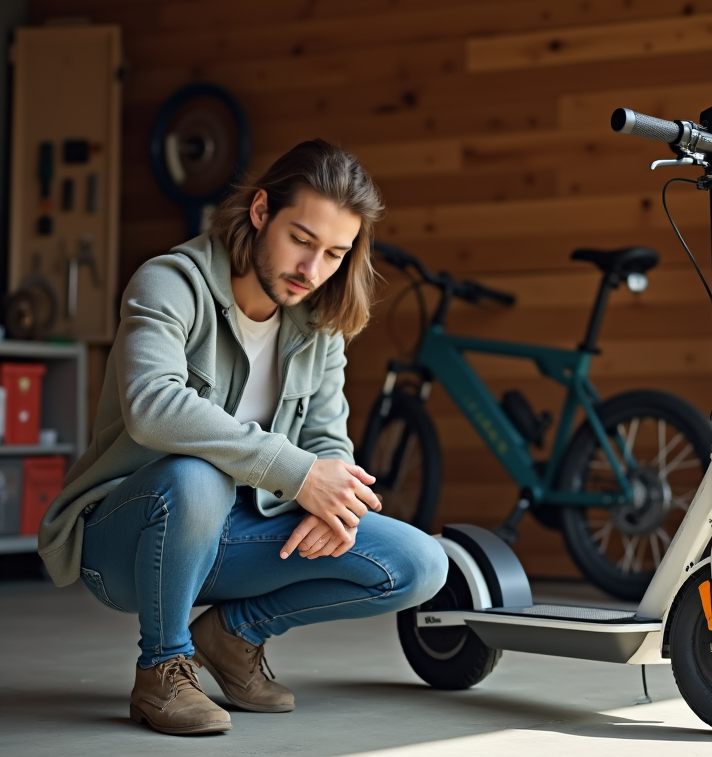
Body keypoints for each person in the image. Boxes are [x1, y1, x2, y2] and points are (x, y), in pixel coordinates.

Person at [37, 139, 449, 736]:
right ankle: (162, 666)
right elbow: (153, 408)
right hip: (126, 540)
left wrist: (332, 502)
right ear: (260, 212)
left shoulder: (318, 325)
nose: (313, 270)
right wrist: (298, 474)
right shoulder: (169, 282)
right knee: (195, 475)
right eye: (301, 241)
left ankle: (234, 635)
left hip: (237, 536)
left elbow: (327, 439)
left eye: (334, 253)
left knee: (420, 564)